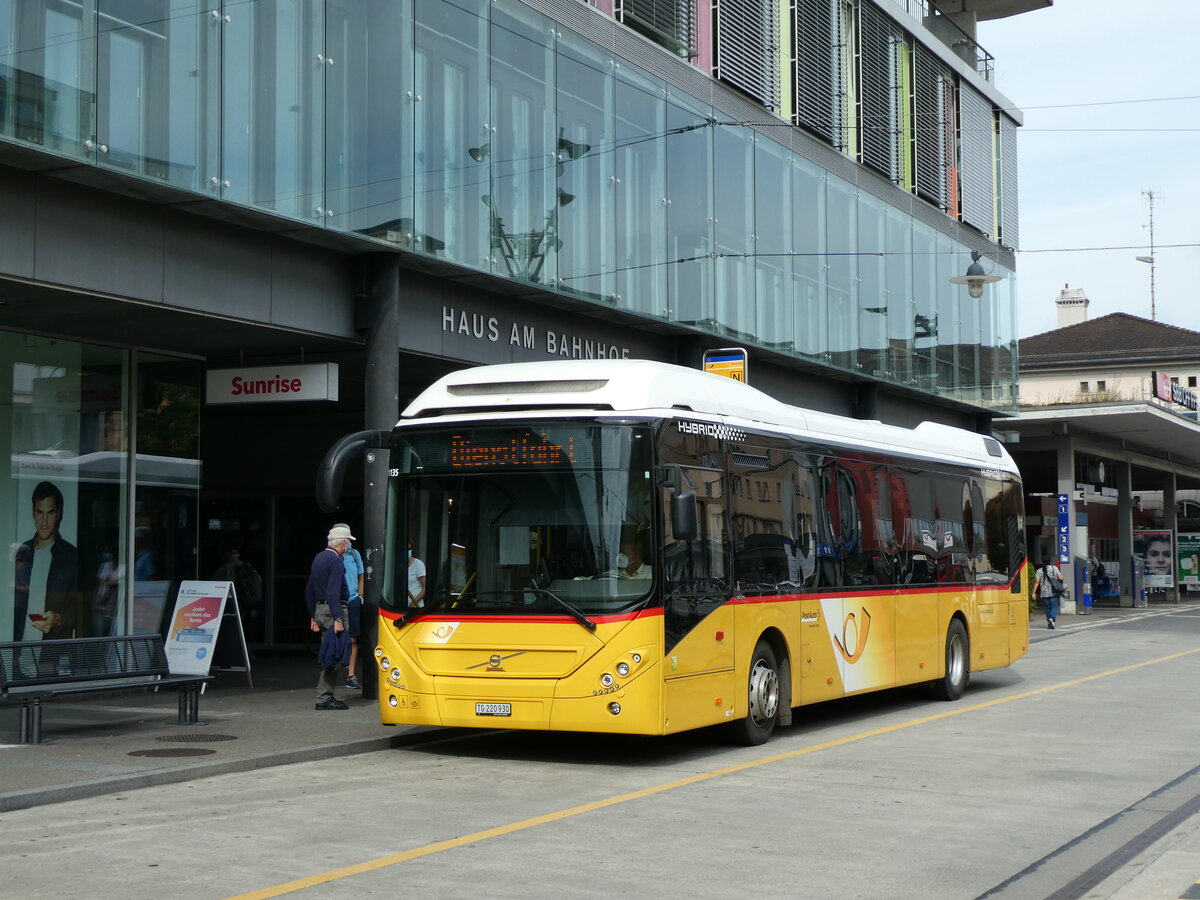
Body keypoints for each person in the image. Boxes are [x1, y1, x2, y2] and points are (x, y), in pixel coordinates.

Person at [13, 481, 79, 676]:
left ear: (58, 514)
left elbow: (82, 606)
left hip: (50, 657)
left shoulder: (70, 556)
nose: (44, 521)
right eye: (39, 512)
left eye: (49, 513)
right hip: (17, 654)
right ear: (33, 513)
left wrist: (58, 618)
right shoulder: (22, 552)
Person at [306, 525, 353, 710]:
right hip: (334, 610)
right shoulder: (335, 561)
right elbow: (334, 592)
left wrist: (313, 615)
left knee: (329, 651)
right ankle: (324, 698)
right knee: (334, 653)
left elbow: (309, 590)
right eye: (348, 541)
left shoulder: (318, 558)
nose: (348, 545)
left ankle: (324, 696)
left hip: (321, 609)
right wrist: (338, 618)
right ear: (342, 542)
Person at [333, 523, 364, 689]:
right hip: (337, 601)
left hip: (352, 600)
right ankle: (331, 674)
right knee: (336, 637)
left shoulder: (354, 554)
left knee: (353, 638)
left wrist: (360, 595)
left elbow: (361, 574)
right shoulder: (332, 555)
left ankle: (351, 675)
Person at [212, 545, 263, 646]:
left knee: (232, 627)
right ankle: (245, 650)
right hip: (245, 600)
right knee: (240, 626)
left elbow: (213, 585)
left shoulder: (225, 568)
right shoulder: (247, 566)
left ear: (227, 554)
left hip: (232, 601)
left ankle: (237, 649)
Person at [1033, 557, 1063, 630]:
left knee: (1047, 607)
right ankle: (1052, 619)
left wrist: (1033, 592)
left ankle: (1049, 620)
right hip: (1053, 591)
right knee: (1054, 606)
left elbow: (1037, 582)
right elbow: (1060, 578)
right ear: (1050, 561)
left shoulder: (1039, 570)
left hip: (1044, 592)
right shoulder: (1054, 568)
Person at [407, 542, 426, 608]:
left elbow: (424, 587)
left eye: (409, 548)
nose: (408, 551)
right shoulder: (397, 565)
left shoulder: (418, 564)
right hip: (400, 608)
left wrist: (413, 603)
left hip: (415, 607)